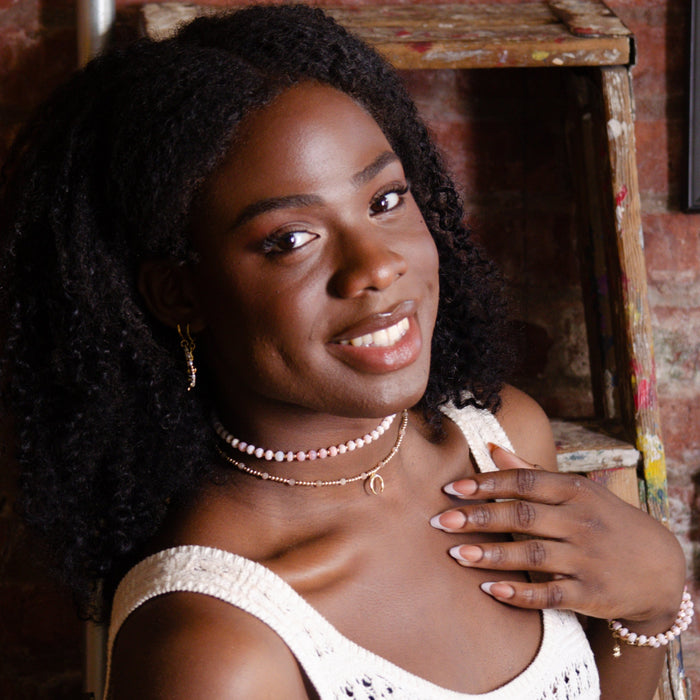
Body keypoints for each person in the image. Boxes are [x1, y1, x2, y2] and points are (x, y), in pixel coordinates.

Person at [0, 5, 690, 699]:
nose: (375, 267)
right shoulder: (213, 649)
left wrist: (655, 601)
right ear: (181, 294)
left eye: (386, 199)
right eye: (290, 240)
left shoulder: (504, 440)